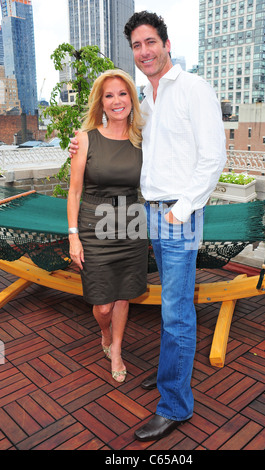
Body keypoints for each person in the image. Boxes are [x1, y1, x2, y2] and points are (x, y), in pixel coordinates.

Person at [69, 11, 227, 441]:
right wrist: (79, 142)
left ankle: (175, 404)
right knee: (165, 306)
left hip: (177, 215)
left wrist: (181, 209)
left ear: (166, 44)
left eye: (150, 43)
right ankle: (167, 377)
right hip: (147, 215)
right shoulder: (148, 100)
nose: (144, 52)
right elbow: (121, 140)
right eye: (137, 46)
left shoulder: (193, 89)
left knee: (177, 313)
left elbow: (214, 158)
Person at [67, 68, 148, 384]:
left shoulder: (143, 138)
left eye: (123, 93)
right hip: (94, 227)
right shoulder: (85, 139)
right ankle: (105, 333)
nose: (117, 101)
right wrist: (73, 236)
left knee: (123, 295)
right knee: (102, 305)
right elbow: (74, 191)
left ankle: (116, 349)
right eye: (109, 95)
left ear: (132, 98)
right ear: (100, 103)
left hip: (132, 226)